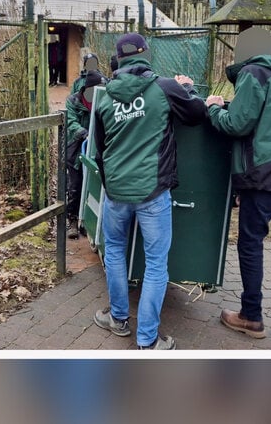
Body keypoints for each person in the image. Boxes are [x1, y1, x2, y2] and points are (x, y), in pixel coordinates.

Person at [90, 32, 207, 350]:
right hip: (153, 193)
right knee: (156, 263)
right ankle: (147, 340)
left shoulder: (104, 96)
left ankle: (118, 319)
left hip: (116, 192)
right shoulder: (166, 88)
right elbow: (197, 114)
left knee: (114, 250)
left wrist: (110, 184)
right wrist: (189, 89)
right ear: (146, 55)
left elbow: (100, 150)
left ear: (119, 59)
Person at [204, 27, 271, 349]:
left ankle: (251, 315)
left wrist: (212, 107)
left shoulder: (253, 73)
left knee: (251, 245)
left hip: (264, 175)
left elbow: (237, 124)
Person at [64, 69, 106, 239]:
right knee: (76, 185)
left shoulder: (104, 100)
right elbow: (71, 122)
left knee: (94, 184)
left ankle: (88, 220)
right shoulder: (73, 101)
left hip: (97, 146)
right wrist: (85, 133)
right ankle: (72, 219)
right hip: (76, 147)